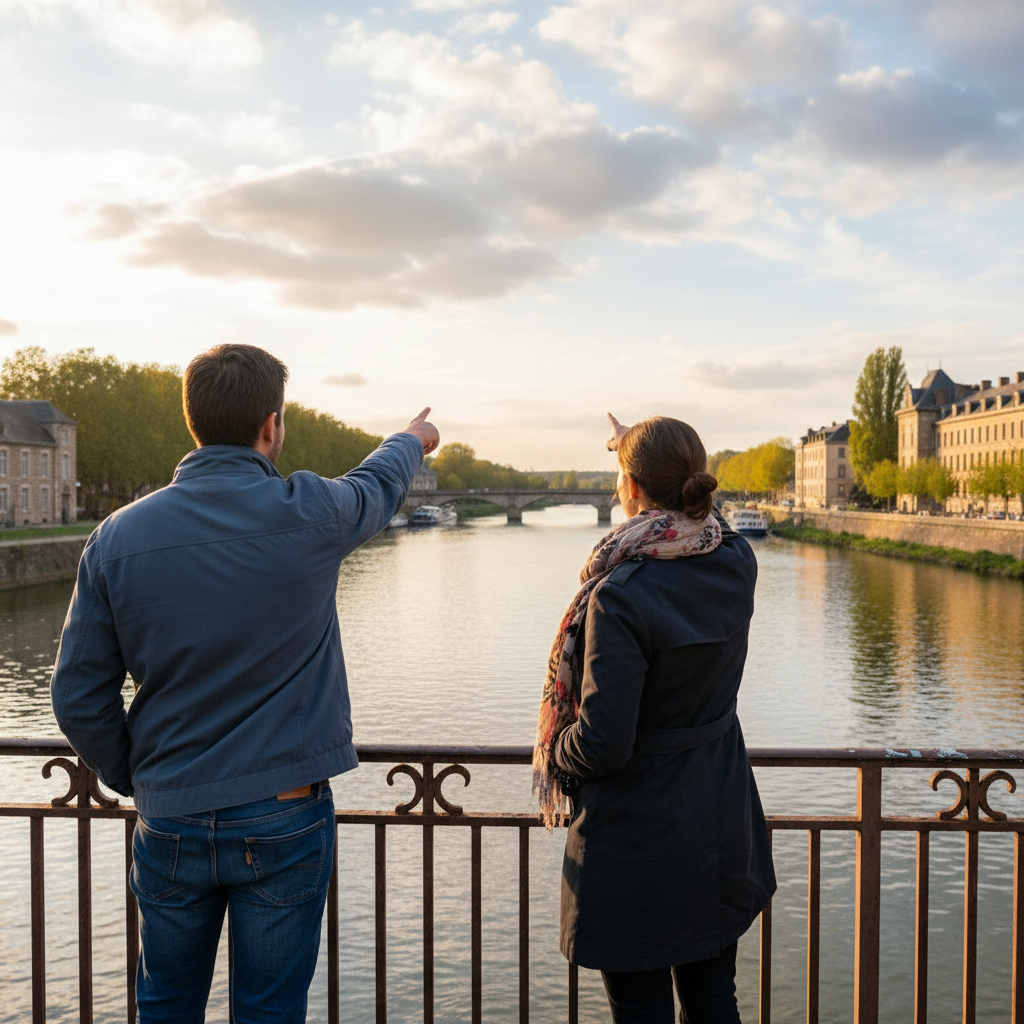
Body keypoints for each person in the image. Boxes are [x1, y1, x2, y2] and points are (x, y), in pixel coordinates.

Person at [50, 343, 439, 1023]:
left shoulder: (116, 536)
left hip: (169, 810)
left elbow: (77, 695)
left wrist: (141, 775)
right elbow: (377, 485)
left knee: (165, 1004)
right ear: (272, 424)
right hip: (283, 809)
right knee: (268, 1010)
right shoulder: (311, 510)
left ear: (192, 421)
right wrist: (411, 439)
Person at [533, 413, 775, 1024]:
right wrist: (632, 446)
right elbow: (696, 516)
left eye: (621, 476)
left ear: (632, 489)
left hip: (639, 834)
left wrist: (552, 750)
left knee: (641, 1012)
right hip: (719, 815)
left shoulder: (620, 593)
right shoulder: (735, 558)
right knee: (715, 1001)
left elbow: (603, 743)